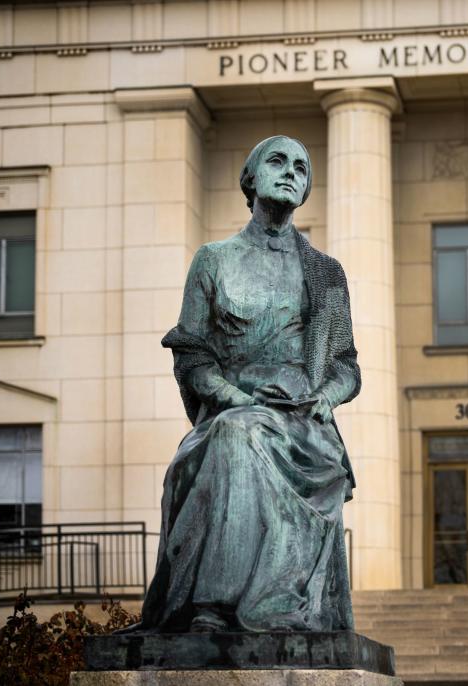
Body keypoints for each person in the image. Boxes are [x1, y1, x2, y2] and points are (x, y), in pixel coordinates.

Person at [132, 135, 360, 633]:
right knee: (236, 434)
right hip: (230, 408)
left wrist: (327, 398)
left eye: (301, 168)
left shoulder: (325, 272)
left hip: (302, 420)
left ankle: (239, 606)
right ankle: (216, 605)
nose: (290, 172)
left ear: (305, 190)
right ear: (249, 179)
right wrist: (233, 397)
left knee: (243, 434)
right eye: (277, 161)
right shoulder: (213, 260)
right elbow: (192, 353)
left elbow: (346, 366)